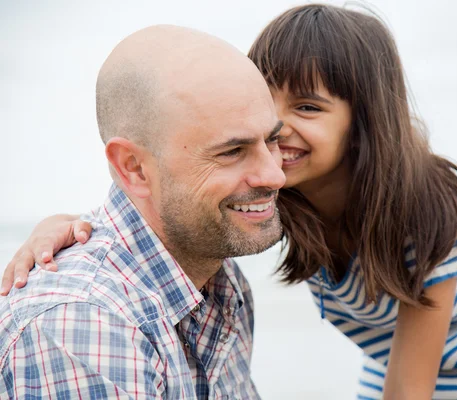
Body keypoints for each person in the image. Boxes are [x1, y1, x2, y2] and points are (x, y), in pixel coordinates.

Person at [3, 4, 457, 399]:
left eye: (307, 107)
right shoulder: (286, 192)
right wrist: (70, 229)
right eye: (266, 99)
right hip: (391, 369)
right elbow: (170, 210)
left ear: (364, 122)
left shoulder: (430, 219)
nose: (277, 128)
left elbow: (409, 390)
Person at [0, 24, 286, 399]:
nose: (275, 174)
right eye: (232, 152)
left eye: (273, 139)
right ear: (133, 168)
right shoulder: (80, 324)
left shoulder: (220, 278)